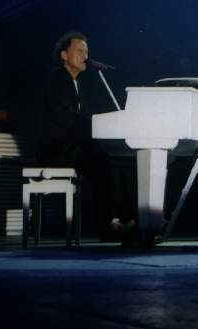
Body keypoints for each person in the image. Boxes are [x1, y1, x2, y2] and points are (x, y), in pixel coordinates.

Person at [37, 31, 135, 241]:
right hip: (58, 146)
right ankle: (109, 226)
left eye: (87, 52)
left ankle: (125, 219)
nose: (86, 56)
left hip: (75, 144)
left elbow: (82, 118)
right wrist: (96, 125)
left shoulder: (77, 83)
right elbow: (64, 119)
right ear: (64, 55)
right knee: (102, 161)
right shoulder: (57, 79)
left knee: (120, 160)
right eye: (79, 51)